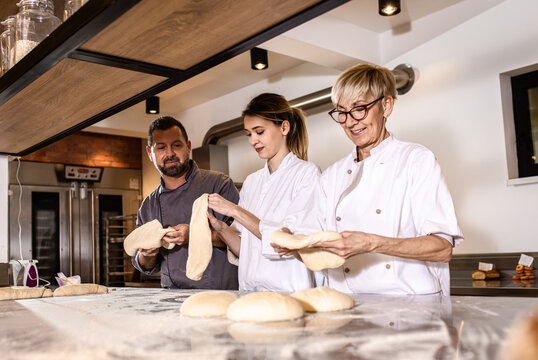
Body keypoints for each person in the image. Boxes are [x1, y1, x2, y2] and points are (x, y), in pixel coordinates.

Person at [276, 64, 463, 296]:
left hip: (409, 307)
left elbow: (442, 248)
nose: (351, 122)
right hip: (348, 306)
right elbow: (316, 247)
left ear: (386, 106)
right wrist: (293, 245)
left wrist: (371, 243)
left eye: (360, 108)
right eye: (342, 112)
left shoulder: (416, 160)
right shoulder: (332, 175)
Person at [206, 93, 321, 292]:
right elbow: (245, 250)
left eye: (259, 132)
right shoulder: (252, 182)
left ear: (284, 127)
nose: (253, 141)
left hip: (290, 293)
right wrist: (221, 229)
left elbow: (291, 242)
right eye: (249, 134)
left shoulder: (307, 174)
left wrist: (234, 211)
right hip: (250, 293)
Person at [132, 116, 240, 289]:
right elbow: (145, 265)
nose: (170, 154)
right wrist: (148, 255)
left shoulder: (219, 184)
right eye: (161, 148)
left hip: (219, 295)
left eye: (176, 145)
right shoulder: (148, 206)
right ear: (150, 153)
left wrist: (195, 235)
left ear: (188, 146)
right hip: (172, 298)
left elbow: (242, 242)